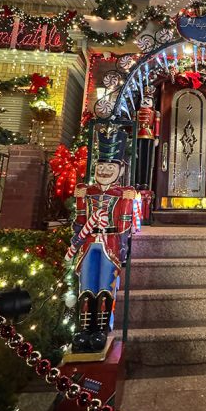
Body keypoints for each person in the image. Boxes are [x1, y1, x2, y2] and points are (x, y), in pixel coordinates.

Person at [68, 126, 135, 353]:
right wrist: (79, 202)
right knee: (87, 284)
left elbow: (125, 224)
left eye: (110, 167)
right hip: (89, 243)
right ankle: (85, 328)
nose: (105, 170)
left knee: (105, 285)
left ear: (120, 168)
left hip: (110, 244)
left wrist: (126, 201)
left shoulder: (121, 194)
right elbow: (79, 221)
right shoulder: (87, 192)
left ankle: (102, 329)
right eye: (101, 166)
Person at [135, 86, 161, 190]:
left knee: (147, 158)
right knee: (138, 158)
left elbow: (157, 125)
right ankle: (137, 181)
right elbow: (135, 125)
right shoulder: (137, 113)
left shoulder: (155, 113)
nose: (146, 102)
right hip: (139, 134)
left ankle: (145, 182)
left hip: (149, 134)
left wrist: (157, 137)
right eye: (144, 100)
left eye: (148, 100)